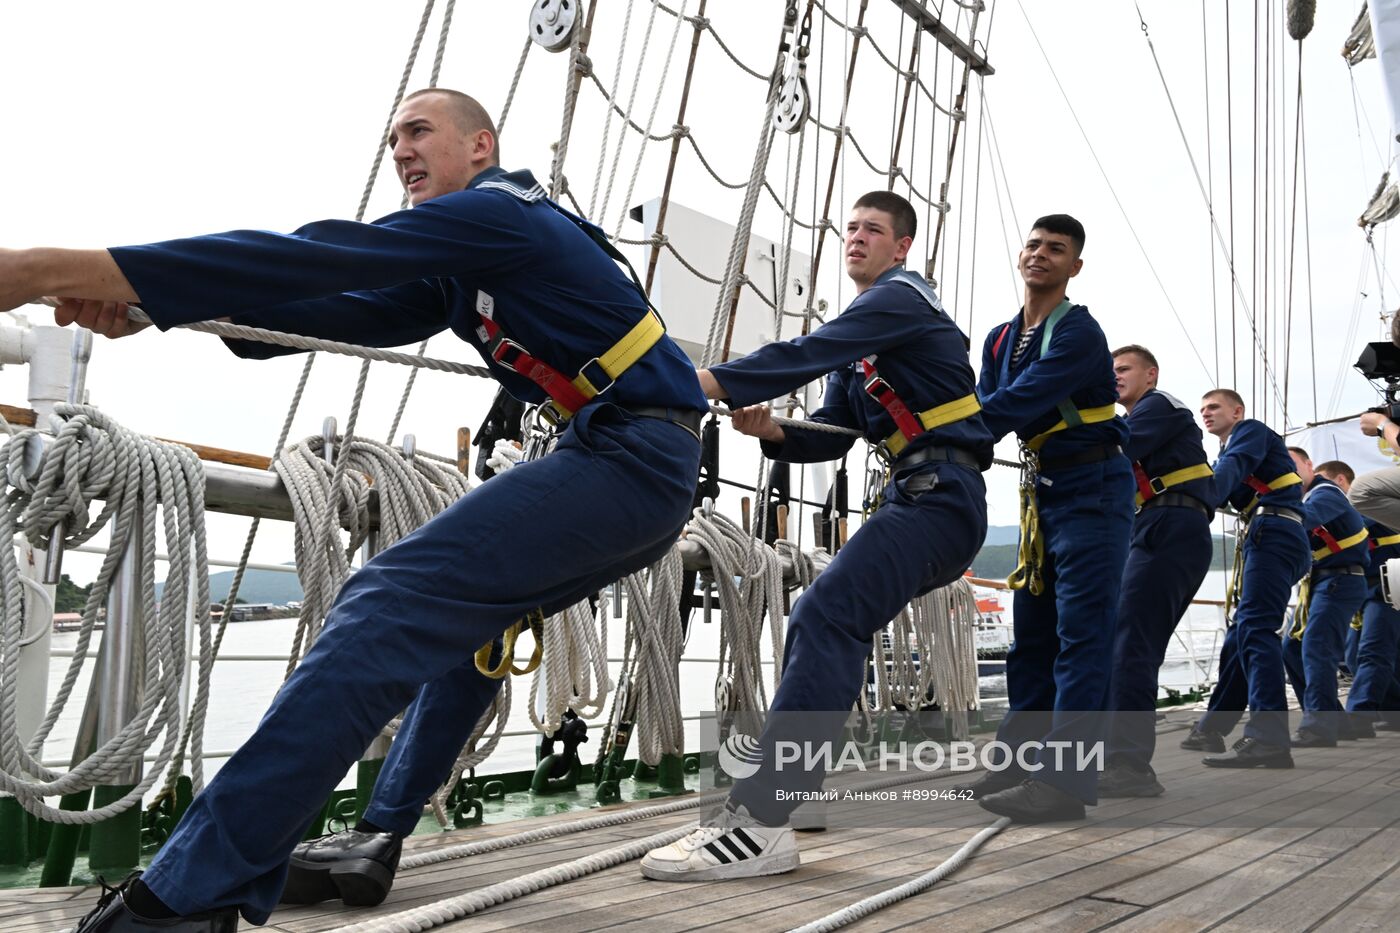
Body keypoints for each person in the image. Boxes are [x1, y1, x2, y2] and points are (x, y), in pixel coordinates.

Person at [1, 88, 707, 932]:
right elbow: (335, 309)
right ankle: (376, 833)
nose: (400, 150)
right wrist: (155, 308)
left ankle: (186, 897)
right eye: (393, 138)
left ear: (480, 145)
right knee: (466, 635)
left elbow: (319, 258)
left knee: (382, 603)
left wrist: (41, 268)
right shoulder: (465, 266)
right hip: (633, 458)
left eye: (419, 132)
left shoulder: (500, 217)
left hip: (626, 454)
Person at [638, 191, 992, 880]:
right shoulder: (865, 346)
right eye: (851, 228)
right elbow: (833, 430)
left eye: (874, 230)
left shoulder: (902, 302)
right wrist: (773, 431)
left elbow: (807, 348)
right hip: (918, 497)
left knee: (825, 612)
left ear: (902, 247)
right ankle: (785, 797)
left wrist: (702, 381)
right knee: (825, 613)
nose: (857, 238)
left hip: (942, 498)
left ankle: (764, 819)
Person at [958, 214, 1134, 822]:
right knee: (1031, 638)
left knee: (1081, 638)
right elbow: (983, 400)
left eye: (1055, 249)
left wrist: (948, 436)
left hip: (1094, 490)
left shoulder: (1080, 331)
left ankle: (1063, 786)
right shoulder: (1000, 339)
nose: (1040, 254)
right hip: (1043, 496)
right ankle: (1014, 765)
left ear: (1074, 266)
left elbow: (1018, 400)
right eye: (1033, 244)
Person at [1098, 346, 1214, 798]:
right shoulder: (1146, 415)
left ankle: (1129, 765)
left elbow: (1113, 449)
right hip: (1160, 525)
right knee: (1126, 642)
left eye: (1123, 369)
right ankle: (1114, 755)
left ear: (1151, 375)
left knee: (1131, 645)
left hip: (1168, 525)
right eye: (1110, 372)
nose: (1115, 377)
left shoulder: (1159, 406)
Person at [1180, 390, 1310, 768]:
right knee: (1242, 634)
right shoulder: (1228, 453)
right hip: (1269, 533)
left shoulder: (1248, 432)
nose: (1206, 413)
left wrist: (1201, 500)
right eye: (1202, 408)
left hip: (1274, 531)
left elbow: (1230, 472)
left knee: (1255, 630)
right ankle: (1212, 728)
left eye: (1214, 407)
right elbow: (1225, 481)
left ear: (1237, 411)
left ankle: (1268, 739)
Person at [1281, 448, 1370, 747]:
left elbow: (1304, 520)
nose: (1288, 472)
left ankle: (1319, 727)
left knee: (1317, 647)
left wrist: (1270, 513)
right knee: (1291, 647)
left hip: (1339, 580)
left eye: (1292, 465)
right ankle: (1336, 721)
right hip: (1322, 582)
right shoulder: (1304, 497)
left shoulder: (1326, 492)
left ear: (1310, 466)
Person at [1318, 461, 1400, 738]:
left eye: (1324, 483)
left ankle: (1359, 714)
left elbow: (1355, 527)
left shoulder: (1368, 504)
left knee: (1374, 649)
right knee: (1355, 653)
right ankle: (1393, 708)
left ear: (1340, 480)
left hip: (1392, 580)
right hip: (1363, 583)